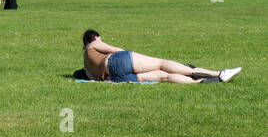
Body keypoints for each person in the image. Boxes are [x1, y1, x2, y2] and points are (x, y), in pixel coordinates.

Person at [81, 30, 241, 84]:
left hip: (114, 77)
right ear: (94, 37)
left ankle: (201, 82)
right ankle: (217, 73)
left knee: (163, 76)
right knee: (161, 63)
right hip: (118, 61)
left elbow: (91, 76)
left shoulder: (86, 64)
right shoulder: (93, 45)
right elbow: (116, 49)